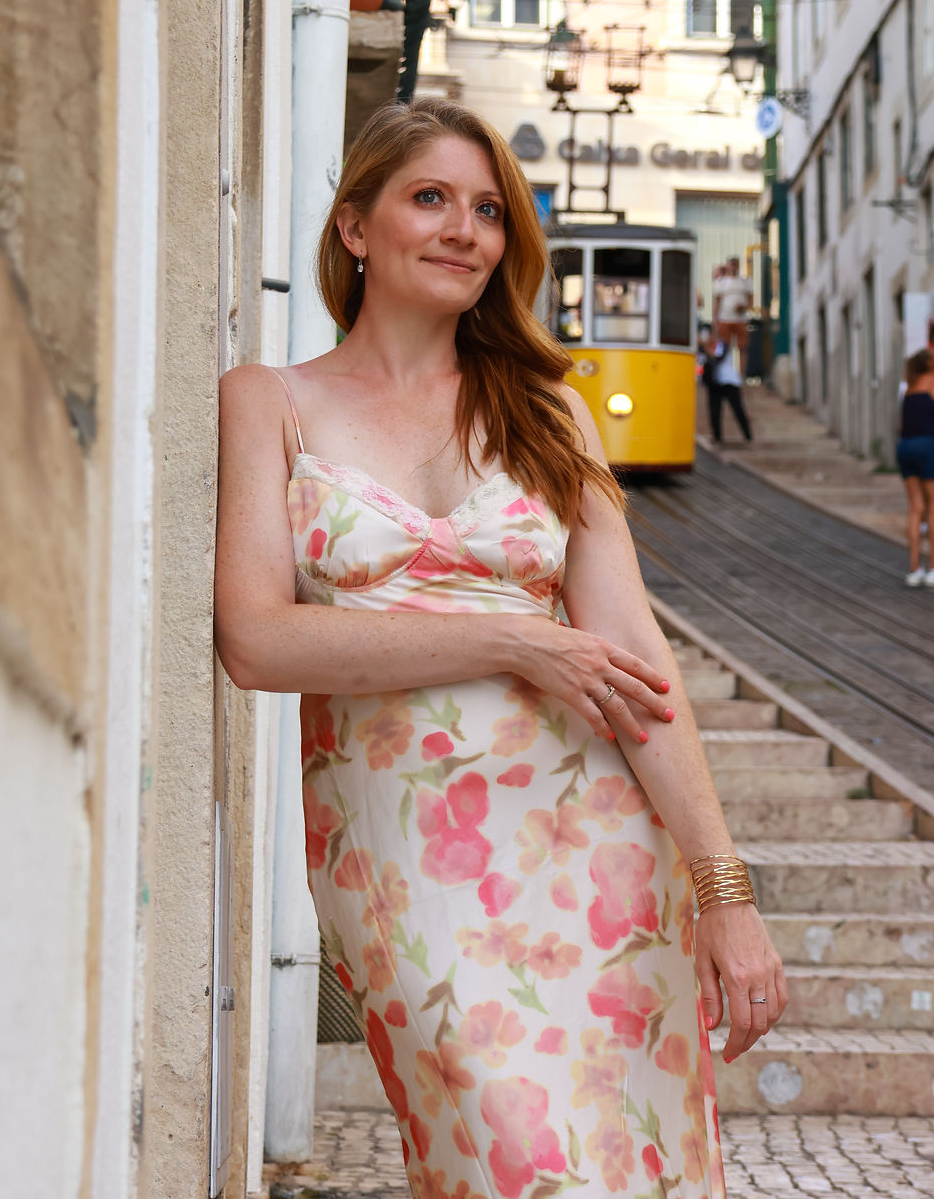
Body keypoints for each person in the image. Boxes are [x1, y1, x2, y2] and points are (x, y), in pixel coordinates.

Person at [215, 99, 785, 1199]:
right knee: (504, 1155)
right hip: (406, 858)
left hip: (600, 853)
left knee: (628, 1164)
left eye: (487, 211)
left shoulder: (550, 413)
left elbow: (635, 657)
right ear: (354, 226)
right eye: (429, 198)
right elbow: (256, 639)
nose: (462, 229)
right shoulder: (270, 402)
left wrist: (724, 890)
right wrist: (515, 640)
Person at [897, 347, 934, 587]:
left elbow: (902, 425)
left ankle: (914, 569)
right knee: (932, 508)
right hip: (927, 446)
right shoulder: (932, 382)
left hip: (905, 447)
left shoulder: (909, 388)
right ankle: (933, 569)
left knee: (915, 507)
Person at [705, 332, 753, 447]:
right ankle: (717, 437)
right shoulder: (708, 346)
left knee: (738, 409)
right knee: (714, 411)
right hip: (715, 383)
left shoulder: (723, 344)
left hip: (729, 382)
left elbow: (718, 358)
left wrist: (706, 347)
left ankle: (748, 435)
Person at [712, 256, 752, 362]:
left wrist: (743, 307)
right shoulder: (721, 282)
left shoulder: (745, 282)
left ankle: (741, 371)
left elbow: (750, 301)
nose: (733, 268)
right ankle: (726, 368)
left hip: (741, 320)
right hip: (725, 319)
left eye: (735, 265)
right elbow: (717, 302)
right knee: (725, 347)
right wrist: (715, 320)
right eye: (731, 265)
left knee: (743, 347)